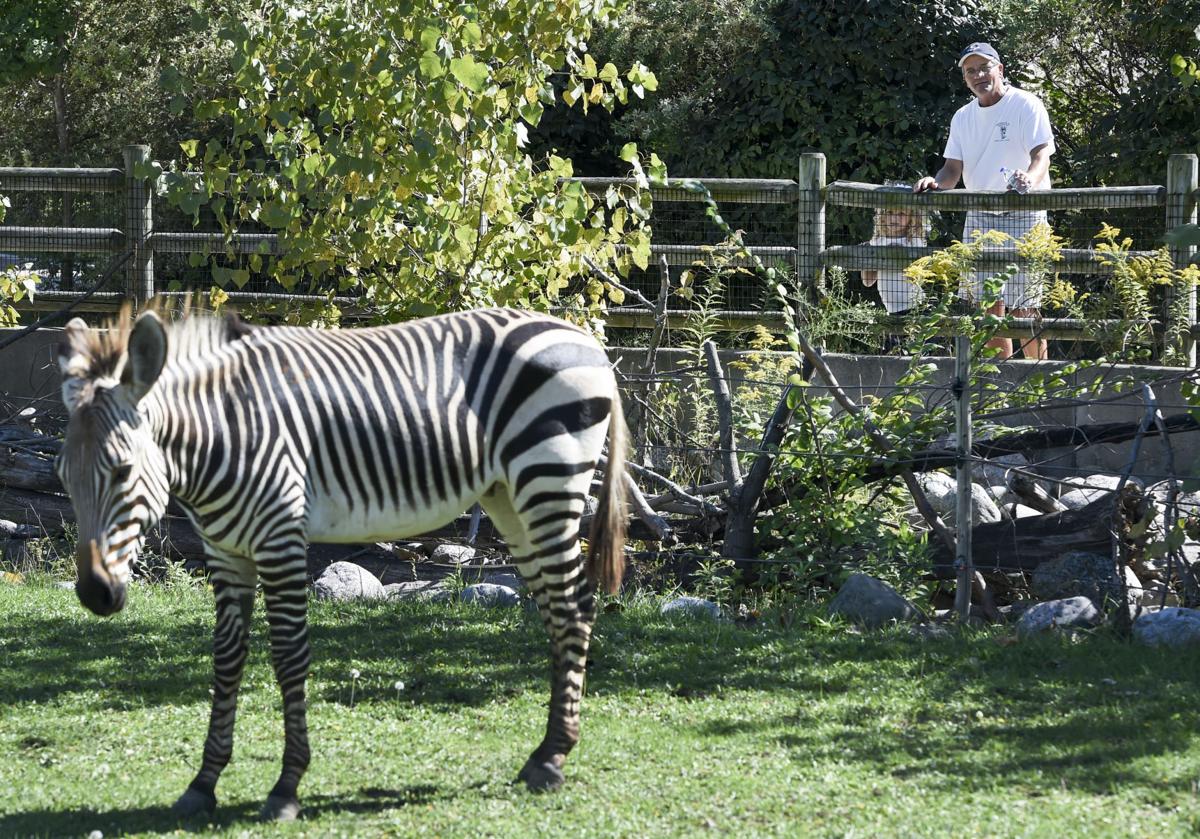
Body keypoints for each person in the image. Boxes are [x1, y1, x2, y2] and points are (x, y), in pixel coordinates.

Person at [914, 42, 1055, 360]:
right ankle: (999, 393)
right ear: (965, 79)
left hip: (1025, 214)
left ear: (1000, 70)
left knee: (1025, 307)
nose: (978, 75)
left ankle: (1040, 389)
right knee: (987, 308)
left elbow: (1042, 155)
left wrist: (1029, 180)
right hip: (980, 217)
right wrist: (935, 183)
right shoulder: (963, 117)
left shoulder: (1026, 105)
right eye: (970, 71)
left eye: (984, 68)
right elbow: (952, 169)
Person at [861, 195, 927, 320]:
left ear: (911, 217)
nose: (894, 218)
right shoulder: (876, 242)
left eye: (901, 213)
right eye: (889, 212)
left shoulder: (913, 242)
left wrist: (896, 254)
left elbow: (920, 276)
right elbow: (868, 281)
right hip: (891, 311)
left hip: (916, 306)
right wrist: (867, 257)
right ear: (882, 216)